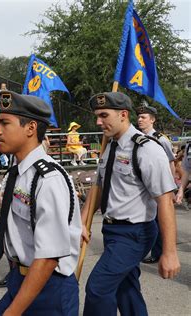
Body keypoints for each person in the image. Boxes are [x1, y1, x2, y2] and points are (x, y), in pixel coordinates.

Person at [82, 92, 180, 316]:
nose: (98, 122)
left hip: (134, 234)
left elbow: (165, 201)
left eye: (104, 115)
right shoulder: (110, 146)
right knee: (126, 290)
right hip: (111, 230)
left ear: (123, 114)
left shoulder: (147, 149)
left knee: (98, 288)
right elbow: (98, 186)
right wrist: (82, 221)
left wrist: (170, 252)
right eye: (97, 116)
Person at [0, 91, 81, 315]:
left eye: (4, 123)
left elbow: (49, 257)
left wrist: (13, 312)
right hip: (20, 278)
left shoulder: (48, 179)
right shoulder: (19, 172)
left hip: (49, 287)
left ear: (30, 128)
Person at [136, 104, 176, 264]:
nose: (139, 120)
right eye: (138, 117)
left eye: (143, 117)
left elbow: (171, 163)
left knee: (159, 221)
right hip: (143, 187)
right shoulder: (137, 138)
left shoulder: (160, 139)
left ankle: (158, 252)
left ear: (152, 120)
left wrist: (171, 188)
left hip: (159, 186)